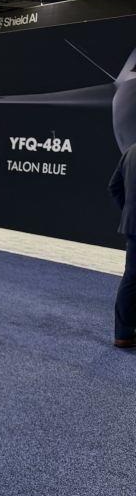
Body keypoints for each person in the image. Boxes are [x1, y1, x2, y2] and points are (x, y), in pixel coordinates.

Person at [108, 142, 136, 348]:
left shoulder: (131, 151)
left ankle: (123, 334)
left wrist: (129, 212)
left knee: (131, 278)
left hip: (132, 225)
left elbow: (114, 186)